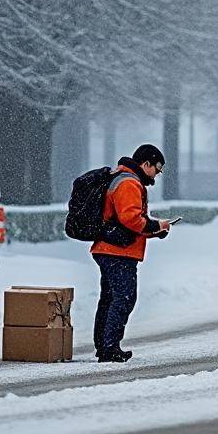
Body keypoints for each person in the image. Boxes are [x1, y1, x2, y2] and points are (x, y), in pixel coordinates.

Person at [90, 144, 172, 362]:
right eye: (157, 169)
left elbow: (125, 223)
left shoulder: (123, 179)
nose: (157, 174)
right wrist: (156, 225)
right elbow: (131, 218)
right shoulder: (128, 183)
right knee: (124, 298)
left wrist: (155, 231)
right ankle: (109, 347)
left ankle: (104, 346)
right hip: (117, 252)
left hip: (111, 248)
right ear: (146, 164)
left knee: (110, 298)